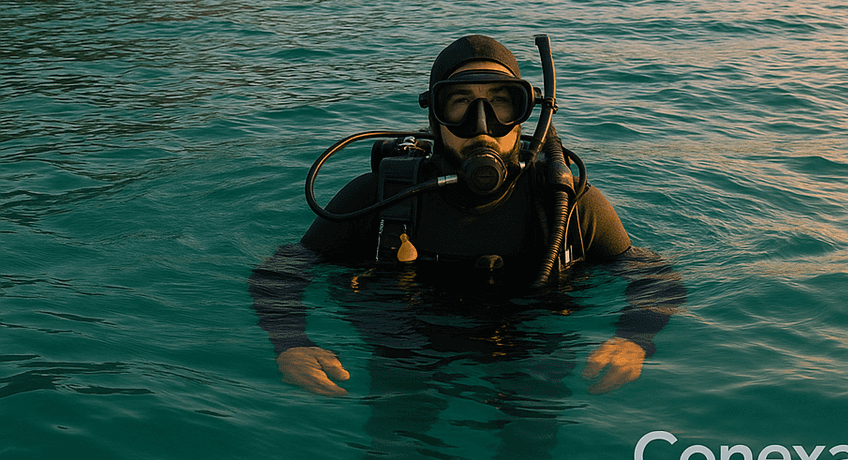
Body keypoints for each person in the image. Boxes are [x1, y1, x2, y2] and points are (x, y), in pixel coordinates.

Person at [249, 35, 685, 399]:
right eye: (459, 103)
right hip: (405, 352)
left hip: (530, 353)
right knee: (398, 457)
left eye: (501, 103)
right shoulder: (381, 196)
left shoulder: (567, 203)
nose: (482, 125)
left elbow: (654, 276)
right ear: (435, 117)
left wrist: (633, 339)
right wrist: (291, 344)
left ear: (527, 114)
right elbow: (283, 271)